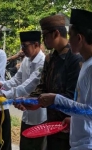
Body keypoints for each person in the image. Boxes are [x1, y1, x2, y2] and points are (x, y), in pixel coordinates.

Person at [36, 9, 92, 150]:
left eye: (70, 35)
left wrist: (56, 99)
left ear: (79, 38)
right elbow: (83, 104)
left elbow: (90, 112)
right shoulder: (86, 63)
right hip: (78, 139)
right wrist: (75, 120)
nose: (68, 39)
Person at [27, 14, 83, 150]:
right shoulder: (49, 58)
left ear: (56, 34)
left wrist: (49, 99)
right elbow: (42, 86)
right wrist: (30, 101)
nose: (43, 40)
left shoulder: (75, 59)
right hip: (51, 124)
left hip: (69, 125)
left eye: (45, 36)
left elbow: (73, 96)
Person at [0, 31, 47, 150]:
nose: (22, 50)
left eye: (25, 46)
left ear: (36, 45)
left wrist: (4, 94)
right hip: (26, 113)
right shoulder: (27, 60)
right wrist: (1, 84)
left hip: (39, 116)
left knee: (37, 146)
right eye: (22, 46)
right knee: (25, 146)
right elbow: (17, 80)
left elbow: (28, 86)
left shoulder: (43, 62)